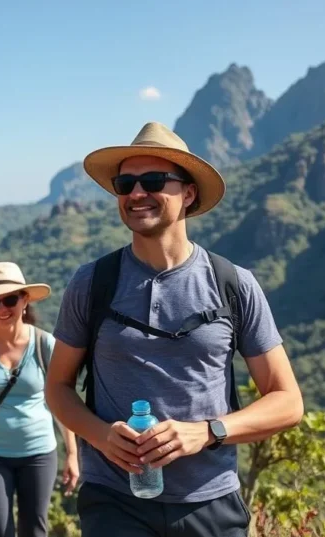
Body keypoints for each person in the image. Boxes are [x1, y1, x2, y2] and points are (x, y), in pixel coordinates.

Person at [44, 122, 304, 537]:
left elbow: (288, 401)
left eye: (152, 181)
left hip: (210, 500)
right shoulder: (92, 282)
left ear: (188, 193)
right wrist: (102, 435)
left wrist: (208, 432)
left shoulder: (232, 284)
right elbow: (57, 387)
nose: (135, 193)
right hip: (114, 500)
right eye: (125, 183)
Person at [0, 261, 79, 537]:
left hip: (38, 453)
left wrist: (72, 454)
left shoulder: (44, 344)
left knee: (34, 530)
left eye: (10, 299)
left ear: (24, 300)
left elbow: (61, 401)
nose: (2, 309)